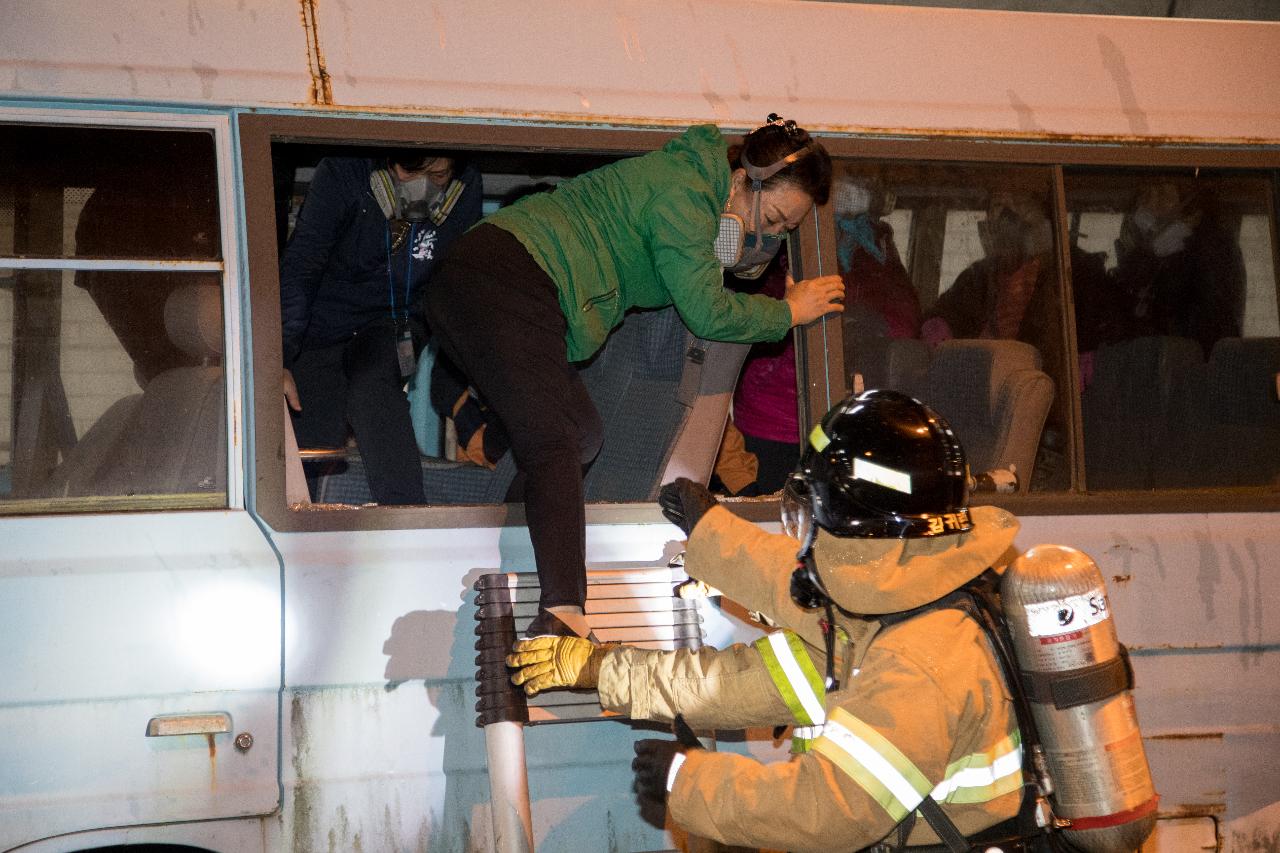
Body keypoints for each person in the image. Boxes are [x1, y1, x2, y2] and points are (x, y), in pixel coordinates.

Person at [508, 390, 1030, 851]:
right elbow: (727, 678)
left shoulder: (915, 663)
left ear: (858, 532)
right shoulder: (906, 595)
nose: (804, 543)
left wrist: (688, 781)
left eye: (815, 520)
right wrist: (598, 666)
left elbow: (829, 810)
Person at [424, 115, 845, 639]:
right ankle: (563, 614)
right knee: (555, 439)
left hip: (509, 287)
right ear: (743, 181)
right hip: (501, 275)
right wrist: (788, 312)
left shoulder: (693, 193)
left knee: (581, 434)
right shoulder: (684, 195)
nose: (771, 234)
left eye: (785, 230)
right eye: (776, 217)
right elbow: (707, 313)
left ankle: (507, 530)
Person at [279, 149, 482, 504]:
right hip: (321, 325)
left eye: (437, 178)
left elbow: (457, 283)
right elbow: (302, 265)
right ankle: (304, 527)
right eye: (410, 173)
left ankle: (407, 516)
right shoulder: (344, 173)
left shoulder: (465, 188)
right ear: (388, 160)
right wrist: (279, 352)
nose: (423, 188)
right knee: (313, 433)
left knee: (373, 387)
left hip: (394, 320)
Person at [1113, 181, 1245, 358]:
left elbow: (1212, 326)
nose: (1152, 206)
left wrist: (1171, 260)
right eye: (1145, 197)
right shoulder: (1137, 257)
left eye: (1164, 197)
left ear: (1191, 209)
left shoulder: (1212, 251)